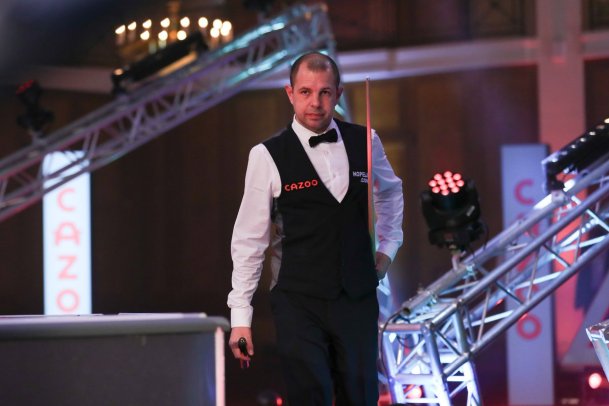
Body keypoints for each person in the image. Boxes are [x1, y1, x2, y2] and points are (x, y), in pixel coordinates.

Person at [227, 51, 403, 405]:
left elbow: (390, 191)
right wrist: (240, 316)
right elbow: (249, 240)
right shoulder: (266, 155)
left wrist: (388, 248)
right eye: (306, 92)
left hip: (357, 298)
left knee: (362, 397)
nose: (316, 102)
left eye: (325, 92)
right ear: (290, 93)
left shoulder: (366, 140)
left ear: (338, 94)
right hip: (298, 301)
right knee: (311, 397)